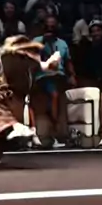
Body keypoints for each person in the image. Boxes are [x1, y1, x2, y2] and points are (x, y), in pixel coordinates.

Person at [0, 35, 61, 164]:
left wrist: (52, 63)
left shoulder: (28, 60)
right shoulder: (8, 58)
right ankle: (1, 148)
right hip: (6, 90)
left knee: (6, 123)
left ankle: (16, 132)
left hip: (18, 95)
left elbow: (45, 67)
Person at [34, 15, 76, 148]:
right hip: (43, 76)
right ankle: (56, 131)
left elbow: (68, 62)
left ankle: (63, 132)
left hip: (60, 76)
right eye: (48, 26)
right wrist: (43, 43)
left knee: (61, 92)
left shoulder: (62, 43)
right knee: (54, 94)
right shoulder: (36, 41)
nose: (50, 28)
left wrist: (72, 75)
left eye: (53, 26)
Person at [74, 20, 102, 87]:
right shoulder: (87, 48)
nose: (96, 33)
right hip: (93, 78)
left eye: (98, 30)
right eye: (93, 31)